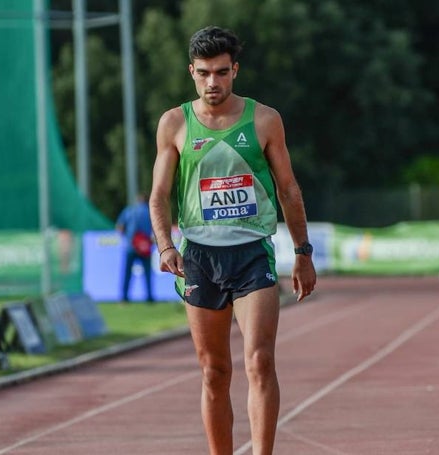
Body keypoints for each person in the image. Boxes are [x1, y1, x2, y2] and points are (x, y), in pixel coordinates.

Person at [149, 26, 316, 455]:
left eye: (221, 72)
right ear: (191, 72)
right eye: (203, 73)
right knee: (213, 372)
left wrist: (302, 252)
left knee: (259, 362)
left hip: (251, 254)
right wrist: (166, 246)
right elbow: (159, 196)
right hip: (199, 257)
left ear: (235, 70)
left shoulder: (264, 119)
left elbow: (289, 190)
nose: (212, 83)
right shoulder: (174, 123)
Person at [115, 193, 154, 302]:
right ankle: (150, 298)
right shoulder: (150, 211)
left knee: (127, 273)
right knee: (147, 274)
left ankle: (124, 298)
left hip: (131, 246)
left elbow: (120, 227)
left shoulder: (129, 210)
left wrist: (128, 237)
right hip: (145, 247)